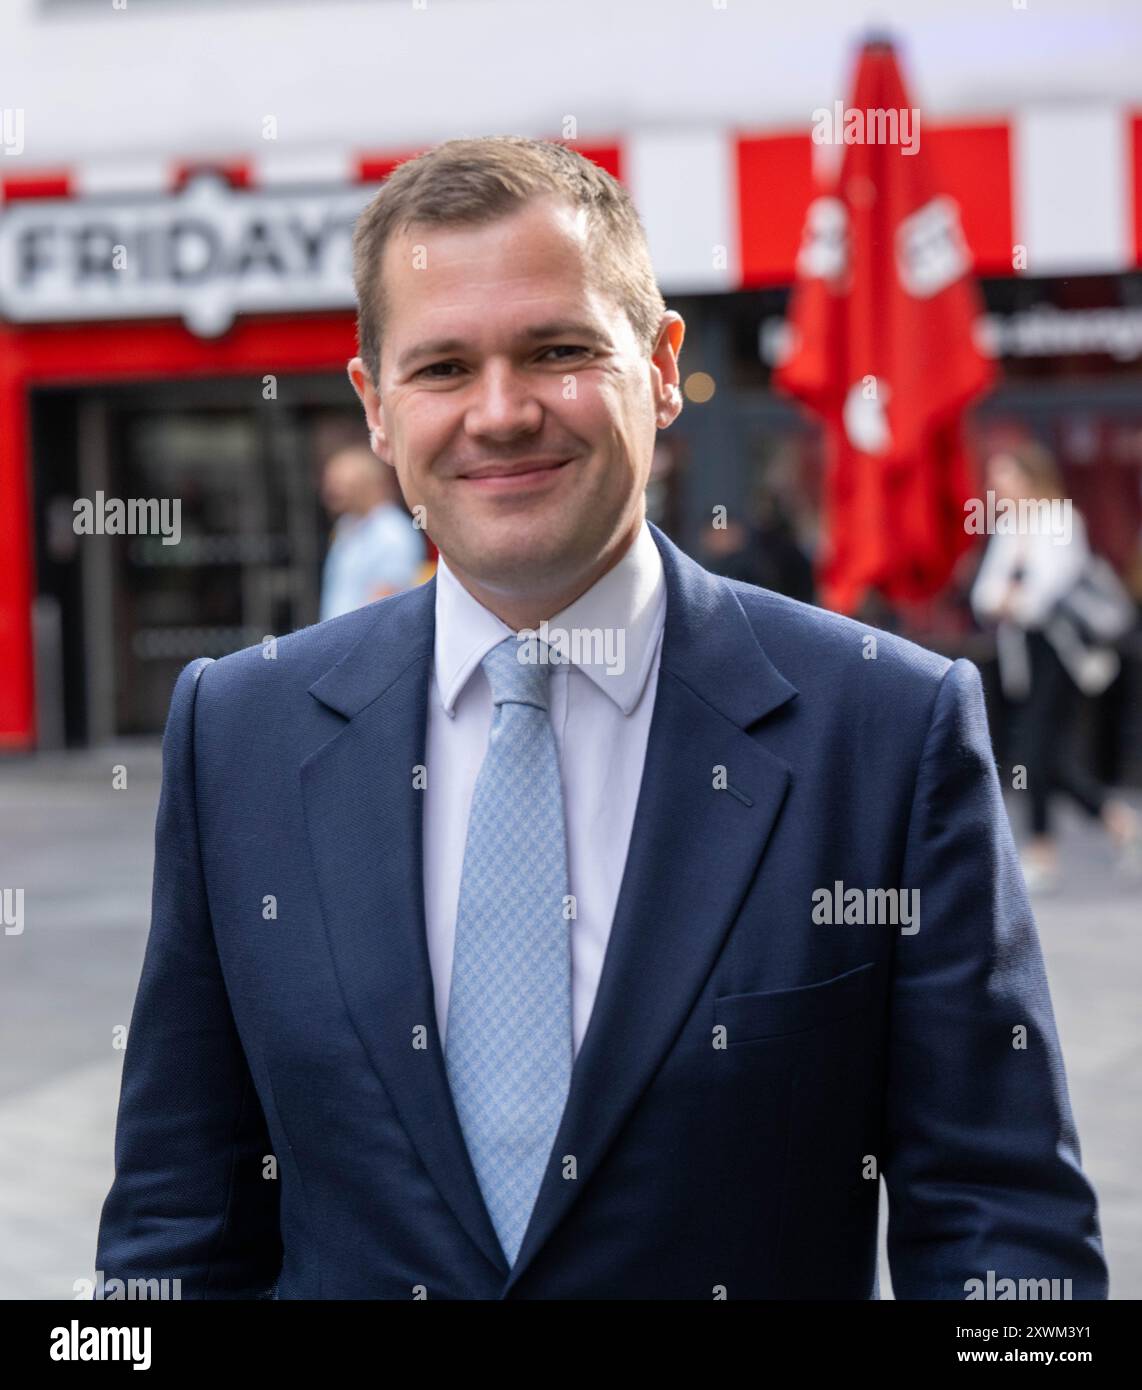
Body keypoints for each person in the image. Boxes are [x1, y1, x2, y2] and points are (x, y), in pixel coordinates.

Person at [95, 136, 1107, 1300]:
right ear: (376, 407)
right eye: (440, 369)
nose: (501, 411)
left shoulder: (884, 727)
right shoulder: (240, 731)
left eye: (558, 350)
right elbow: (176, 1228)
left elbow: (1001, 1227)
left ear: (662, 365)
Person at [970, 441, 1139, 892]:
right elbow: (984, 597)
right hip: (1021, 656)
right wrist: (1010, 599)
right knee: (1048, 755)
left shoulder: (1060, 521)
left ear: (1027, 478)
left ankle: (1042, 850)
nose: (994, 486)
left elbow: (1041, 597)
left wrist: (1012, 599)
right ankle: (1118, 821)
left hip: (1061, 654)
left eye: (1002, 475)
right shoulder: (1008, 527)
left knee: (1035, 750)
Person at [318, 442, 425, 619]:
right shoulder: (346, 525)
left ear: (365, 485)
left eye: (341, 484)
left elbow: (383, 606)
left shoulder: (392, 533)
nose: (329, 492)